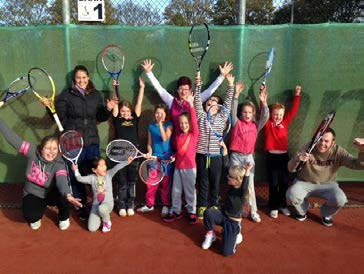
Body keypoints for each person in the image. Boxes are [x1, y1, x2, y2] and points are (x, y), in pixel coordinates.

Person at [56, 65, 117, 219]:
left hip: (92, 142)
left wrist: (108, 108)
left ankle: (99, 203)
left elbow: (101, 117)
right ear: (74, 80)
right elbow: (60, 119)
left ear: (88, 78)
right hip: (73, 143)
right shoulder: (65, 96)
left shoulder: (95, 95)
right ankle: (81, 206)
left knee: (96, 175)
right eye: (78, 78)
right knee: (75, 175)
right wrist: (51, 109)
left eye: (84, 77)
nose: (81, 80)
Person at [0, 118, 82, 230]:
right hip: (33, 193)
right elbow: (12, 138)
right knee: (31, 216)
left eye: (54, 149)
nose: (52, 152)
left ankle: (64, 217)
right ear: (41, 149)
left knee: (64, 197)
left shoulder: (59, 162)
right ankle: (37, 212)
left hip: (50, 193)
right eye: (48, 148)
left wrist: (68, 194)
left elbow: (62, 180)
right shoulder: (32, 151)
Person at [141, 59, 233, 148]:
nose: (184, 92)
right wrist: (149, 73)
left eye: (186, 89)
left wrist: (221, 77)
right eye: (181, 89)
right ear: (177, 90)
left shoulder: (195, 100)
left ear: (190, 91)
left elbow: (210, 90)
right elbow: (159, 89)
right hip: (175, 144)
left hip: (191, 145)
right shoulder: (171, 101)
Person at [286, 128, 364, 226]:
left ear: (333, 142)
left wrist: (362, 150)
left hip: (328, 184)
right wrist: (298, 158)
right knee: (292, 195)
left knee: (340, 199)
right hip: (304, 182)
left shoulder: (338, 151)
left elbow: (357, 165)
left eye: (326, 141)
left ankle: (326, 214)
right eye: (320, 140)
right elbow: (290, 169)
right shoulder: (308, 147)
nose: (322, 143)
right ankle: (302, 211)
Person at [194, 73, 235, 219]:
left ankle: (214, 205)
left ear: (219, 107)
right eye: (210, 100)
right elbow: (197, 101)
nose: (211, 102)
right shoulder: (201, 116)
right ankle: (202, 206)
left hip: (216, 156)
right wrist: (197, 85)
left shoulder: (223, 117)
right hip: (201, 155)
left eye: (215, 101)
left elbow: (228, 103)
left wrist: (230, 85)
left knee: (215, 183)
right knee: (203, 182)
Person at [229, 83, 269, 223]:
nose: (247, 114)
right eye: (245, 112)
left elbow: (265, 116)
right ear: (241, 113)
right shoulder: (236, 123)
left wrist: (264, 102)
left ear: (253, 114)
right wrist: (235, 96)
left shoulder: (256, 125)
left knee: (249, 184)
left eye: (250, 112)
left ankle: (253, 211)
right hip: (235, 157)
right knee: (235, 183)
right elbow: (232, 111)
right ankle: (235, 209)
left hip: (248, 158)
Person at [163, 73, 200, 224]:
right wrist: (174, 157)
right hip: (178, 167)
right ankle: (175, 211)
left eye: (186, 123)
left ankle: (191, 211)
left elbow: (194, 120)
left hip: (190, 168)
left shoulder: (194, 134)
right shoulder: (177, 138)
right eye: (182, 123)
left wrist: (191, 106)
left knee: (190, 191)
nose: (184, 125)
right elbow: (179, 151)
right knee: (176, 191)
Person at [264, 86, 301, 218]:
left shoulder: (285, 121)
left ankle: (282, 204)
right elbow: (263, 112)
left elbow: (294, 110)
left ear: (283, 115)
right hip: (271, 158)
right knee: (273, 183)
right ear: (271, 114)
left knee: (284, 182)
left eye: (280, 114)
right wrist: (263, 100)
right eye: (275, 114)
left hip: (284, 157)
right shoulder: (268, 123)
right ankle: (273, 206)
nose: (278, 116)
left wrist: (297, 94)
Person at [201, 163, 253, 256]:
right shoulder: (232, 186)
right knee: (209, 213)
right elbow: (225, 167)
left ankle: (236, 232)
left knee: (226, 252)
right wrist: (225, 151)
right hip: (223, 215)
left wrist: (248, 170)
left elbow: (244, 185)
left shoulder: (241, 193)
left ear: (237, 180)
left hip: (232, 222)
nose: (227, 177)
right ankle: (211, 234)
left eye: (230, 176)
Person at [112, 77, 145, 217]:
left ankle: (130, 204)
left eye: (127, 111)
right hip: (119, 154)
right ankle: (121, 206)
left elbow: (139, 102)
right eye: (123, 111)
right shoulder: (117, 120)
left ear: (131, 112)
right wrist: (115, 88)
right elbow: (115, 104)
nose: (125, 113)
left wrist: (142, 88)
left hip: (134, 155)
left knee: (131, 182)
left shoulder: (135, 119)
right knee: (122, 182)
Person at [72, 157, 132, 233]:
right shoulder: (92, 178)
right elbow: (80, 179)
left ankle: (106, 222)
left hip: (108, 204)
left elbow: (117, 167)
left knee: (102, 209)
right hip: (96, 206)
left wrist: (127, 161)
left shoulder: (109, 174)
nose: (104, 167)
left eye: (104, 165)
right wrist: (76, 170)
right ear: (94, 170)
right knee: (92, 228)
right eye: (101, 166)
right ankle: (102, 215)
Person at [137, 103, 174, 217]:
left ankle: (166, 205)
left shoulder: (169, 125)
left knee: (166, 185)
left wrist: (160, 124)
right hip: (154, 159)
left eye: (161, 113)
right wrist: (149, 152)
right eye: (157, 113)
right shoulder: (151, 127)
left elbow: (164, 138)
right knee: (151, 183)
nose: (159, 115)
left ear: (165, 114)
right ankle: (149, 205)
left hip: (166, 159)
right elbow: (149, 143)